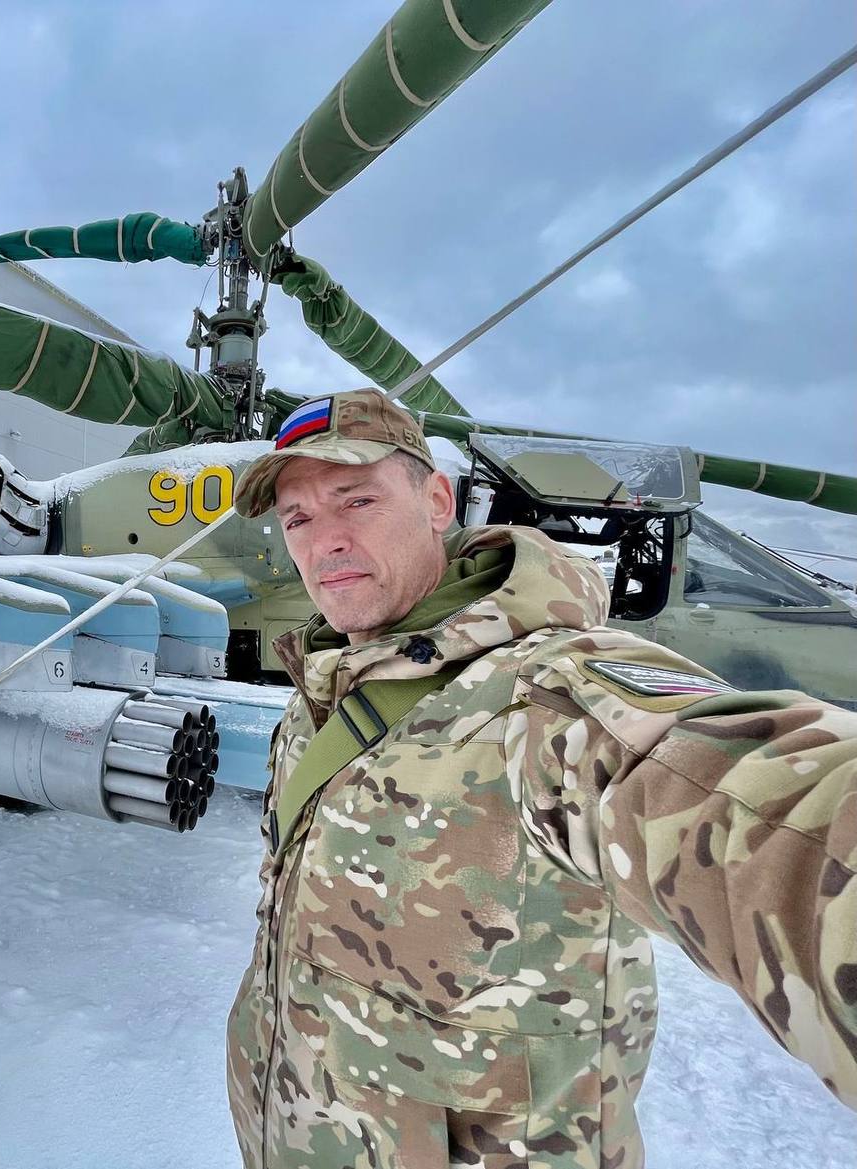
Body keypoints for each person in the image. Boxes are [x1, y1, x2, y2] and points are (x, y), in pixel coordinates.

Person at [226, 388, 857, 1169]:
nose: (326, 540)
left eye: (357, 499)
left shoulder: (545, 697)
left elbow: (762, 805)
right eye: (297, 518)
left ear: (436, 501)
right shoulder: (321, 692)